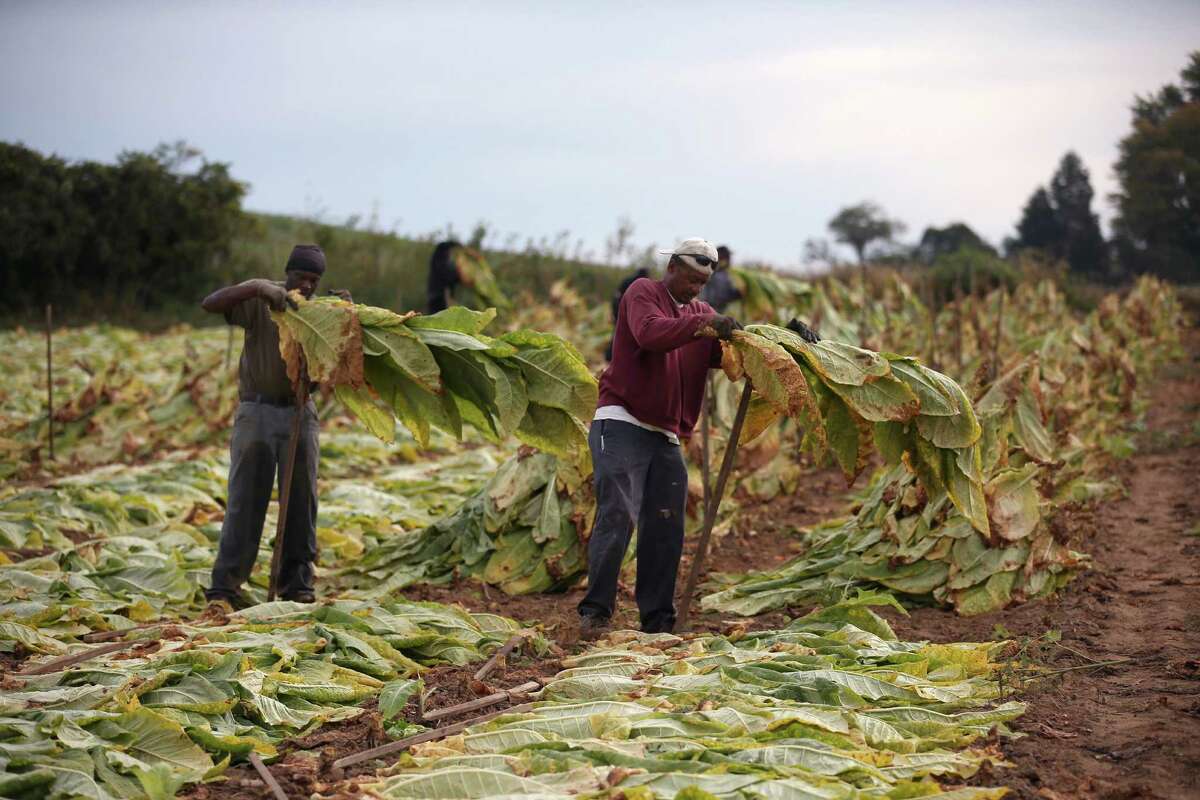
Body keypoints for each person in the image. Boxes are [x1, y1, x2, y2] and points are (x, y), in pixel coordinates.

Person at [578, 238, 741, 637]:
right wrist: (704, 325)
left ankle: (658, 623)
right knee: (618, 512)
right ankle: (596, 613)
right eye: (690, 279)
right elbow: (651, 334)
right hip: (621, 422)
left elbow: (730, 354)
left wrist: (778, 340)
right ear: (672, 268)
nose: (695, 290)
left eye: (702, 283)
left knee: (666, 526)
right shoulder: (643, 293)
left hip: (665, 435)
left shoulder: (700, 312)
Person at [200, 244, 336, 608]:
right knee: (245, 501)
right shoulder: (263, 300)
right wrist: (258, 286)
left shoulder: (319, 313)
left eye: (314, 280)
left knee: (301, 502)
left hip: (299, 413)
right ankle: (225, 587)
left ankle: (297, 586)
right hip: (256, 412)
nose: (306, 285)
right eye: (301, 276)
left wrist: (346, 316)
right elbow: (211, 303)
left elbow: (333, 365)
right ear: (287, 272)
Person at [604, 267, 650, 362]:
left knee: (618, 331)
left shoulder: (627, 281)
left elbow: (616, 296)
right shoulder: (643, 285)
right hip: (627, 311)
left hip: (620, 308)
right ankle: (614, 356)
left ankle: (611, 355)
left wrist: (615, 312)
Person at [697, 244, 741, 312]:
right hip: (710, 311)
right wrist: (735, 295)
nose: (730, 260)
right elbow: (719, 296)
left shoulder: (725, 274)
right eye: (728, 257)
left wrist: (737, 294)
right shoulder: (713, 274)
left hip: (718, 311)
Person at [426, 240, 462, 313]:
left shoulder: (438, 262)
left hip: (435, 298)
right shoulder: (439, 263)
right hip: (438, 298)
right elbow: (449, 278)